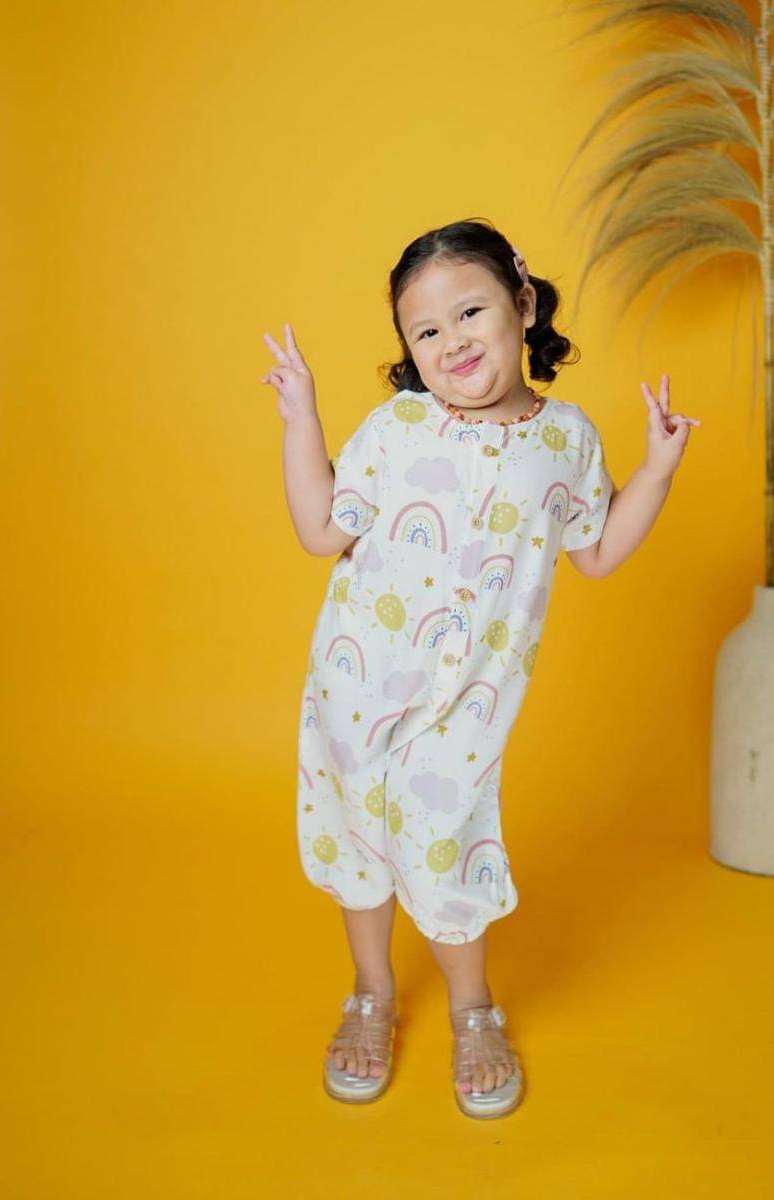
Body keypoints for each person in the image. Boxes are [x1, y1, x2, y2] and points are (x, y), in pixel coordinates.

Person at [260, 218, 700, 1119]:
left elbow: (597, 550)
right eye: (426, 330)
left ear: (523, 303)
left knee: (446, 840)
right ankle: (372, 992)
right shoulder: (397, 428)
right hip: (358, 682)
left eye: (470, 312)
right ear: (408, 349)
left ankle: (472, 1007)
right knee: (357, 837)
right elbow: (319, 530)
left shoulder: (566, 440)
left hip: (469, 702)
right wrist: (302, 417)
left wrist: (656, 471)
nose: (452, 340)